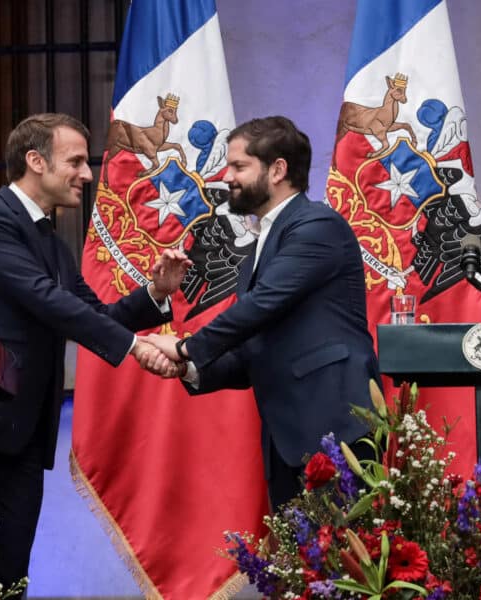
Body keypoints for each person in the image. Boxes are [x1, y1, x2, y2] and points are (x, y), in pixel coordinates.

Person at [0, 113, 186, 589]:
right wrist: (136, 348)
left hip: (20, 435)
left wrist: (155, 293)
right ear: (35, 161)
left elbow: (90, 315)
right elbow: (45, 300)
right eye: (76, 161)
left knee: (8, 577)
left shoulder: (54, 244)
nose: (87, 174)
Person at [146, 115, 380, 510]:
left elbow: (260, 306)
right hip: (287, 440)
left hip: (336, 427)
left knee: (350, 567)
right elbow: (255, 346)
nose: (227, 177)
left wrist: (186, 348)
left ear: (277, 170)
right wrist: (188, 369)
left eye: (239, 166)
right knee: (300, 571)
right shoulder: (261, 244)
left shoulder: (317, 224)